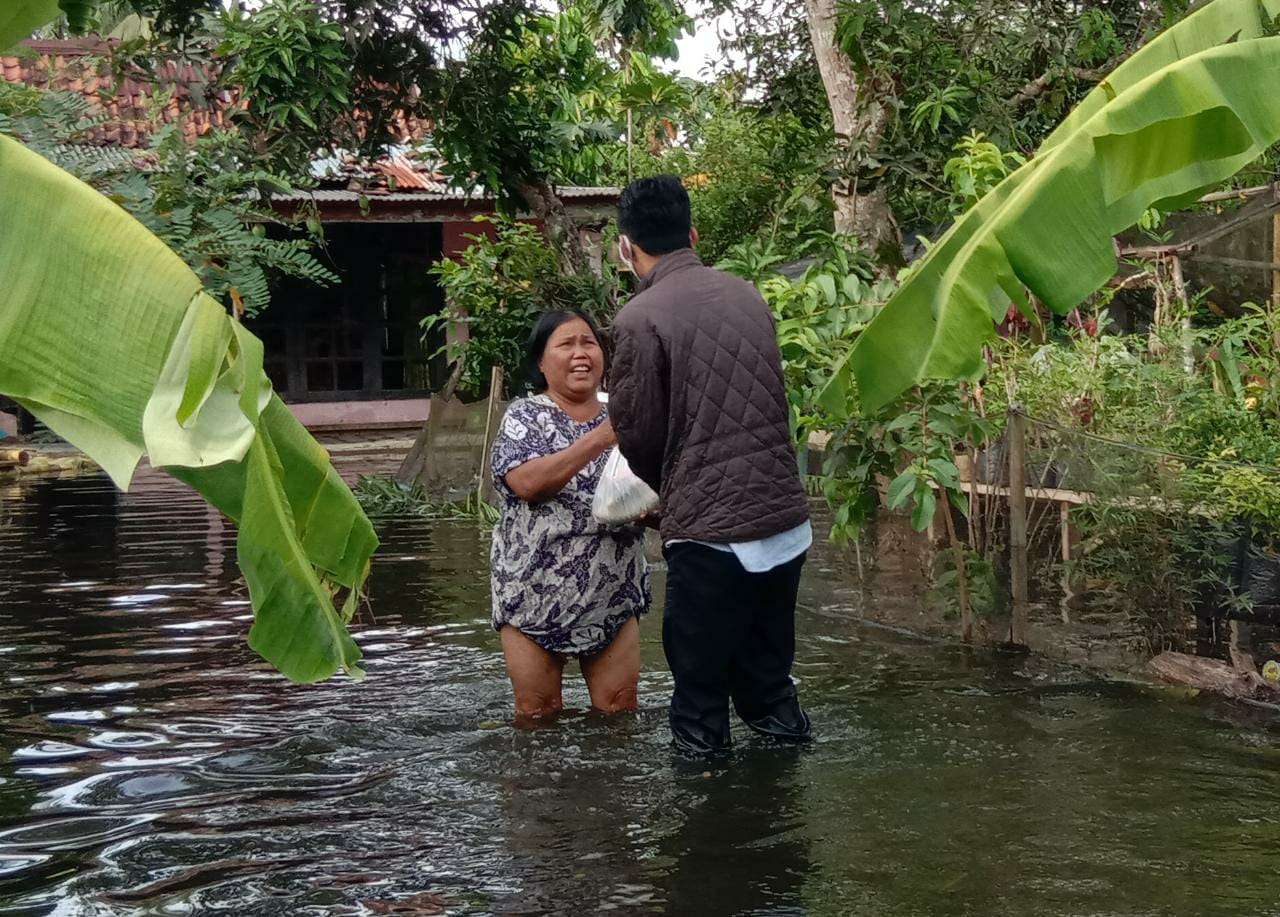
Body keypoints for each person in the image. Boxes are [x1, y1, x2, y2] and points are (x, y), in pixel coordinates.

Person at [607, 175, 813, 755]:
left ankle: (711, 836)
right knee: (769, 688)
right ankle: (785, 821)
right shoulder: (747, 293)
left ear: (626, 247)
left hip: (711, 536)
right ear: (692, 233)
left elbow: (638, 437)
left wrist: (663, 497)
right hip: (785, 526)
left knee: (699, 707)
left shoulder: (638, 318)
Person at [489, 309, 651, 720]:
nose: (580, 353)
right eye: (566, 344)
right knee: (538, 714)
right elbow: (527, 483)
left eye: (589, 343)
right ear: (542, 362)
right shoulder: (524, 417)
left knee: (620, 711)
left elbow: (653, 489)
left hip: (613, 592)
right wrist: (600, 438)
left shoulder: (627, 414)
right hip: (533, 595)